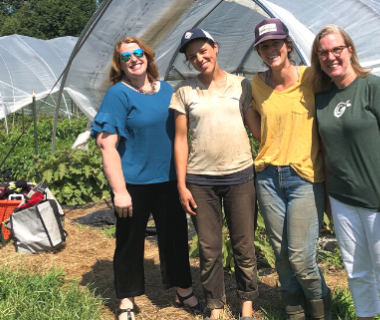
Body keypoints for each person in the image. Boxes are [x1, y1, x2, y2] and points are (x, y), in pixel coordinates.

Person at [92, 37, 200, 320]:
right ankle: (127, 300)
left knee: (175, 237)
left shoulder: (167, 90)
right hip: (134, 184)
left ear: (147, 56)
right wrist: (119, 191)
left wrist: (184, 178)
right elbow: (107, 145)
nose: (133, 59)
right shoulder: (118, 94)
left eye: (138, 53)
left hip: (168, 179)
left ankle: (183, 290)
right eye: (126, 56)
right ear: (120, 64)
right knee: (129, 241)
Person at [310, 24, 380, 320]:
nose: (331, 57)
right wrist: (330, 199)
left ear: (350, 50)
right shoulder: (323, 98)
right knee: (357, 272)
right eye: (323, 52)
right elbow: (327, 152)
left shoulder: (376, 89)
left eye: (336, 49)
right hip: (344, 200)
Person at [170, 28, 260, 320]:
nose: (199, 58)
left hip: (240, 176)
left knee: (244, 244)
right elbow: (181, 140)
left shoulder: (241, 85)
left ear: (215, 48)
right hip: (200, 181)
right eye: (192, 56)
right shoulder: (184, 91)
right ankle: (215, 306)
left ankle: (246, 302)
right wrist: (182, 185)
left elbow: (255, 128)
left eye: (203, 51)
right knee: (209, 249)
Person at [246, 18, 332, 320]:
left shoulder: (311, 77)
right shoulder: (256, 84)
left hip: (305, 177)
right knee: (281, 256)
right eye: (264, 46)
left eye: (276, 43)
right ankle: (294, 313)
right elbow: (259, 128)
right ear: (259, 51)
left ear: (288, 45)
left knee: (301, 256)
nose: (271, 50)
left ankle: (323, 312)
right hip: (268, 176)